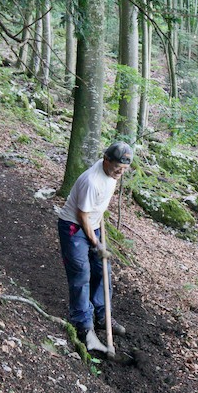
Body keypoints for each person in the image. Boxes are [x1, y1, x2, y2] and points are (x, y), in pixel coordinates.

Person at [57, 142, 133, 352]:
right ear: (106, 160)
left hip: (93, 224)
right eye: (118, 167)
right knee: (81, 274)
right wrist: (96, 243)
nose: (120, 172)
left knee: (103, 270)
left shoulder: (112, 174)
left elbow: (96, 209)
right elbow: (82, 215)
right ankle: (84, 326)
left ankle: (102, 316)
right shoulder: (92, 180)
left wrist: (99, 232)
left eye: (124, 168)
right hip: (74, 227)